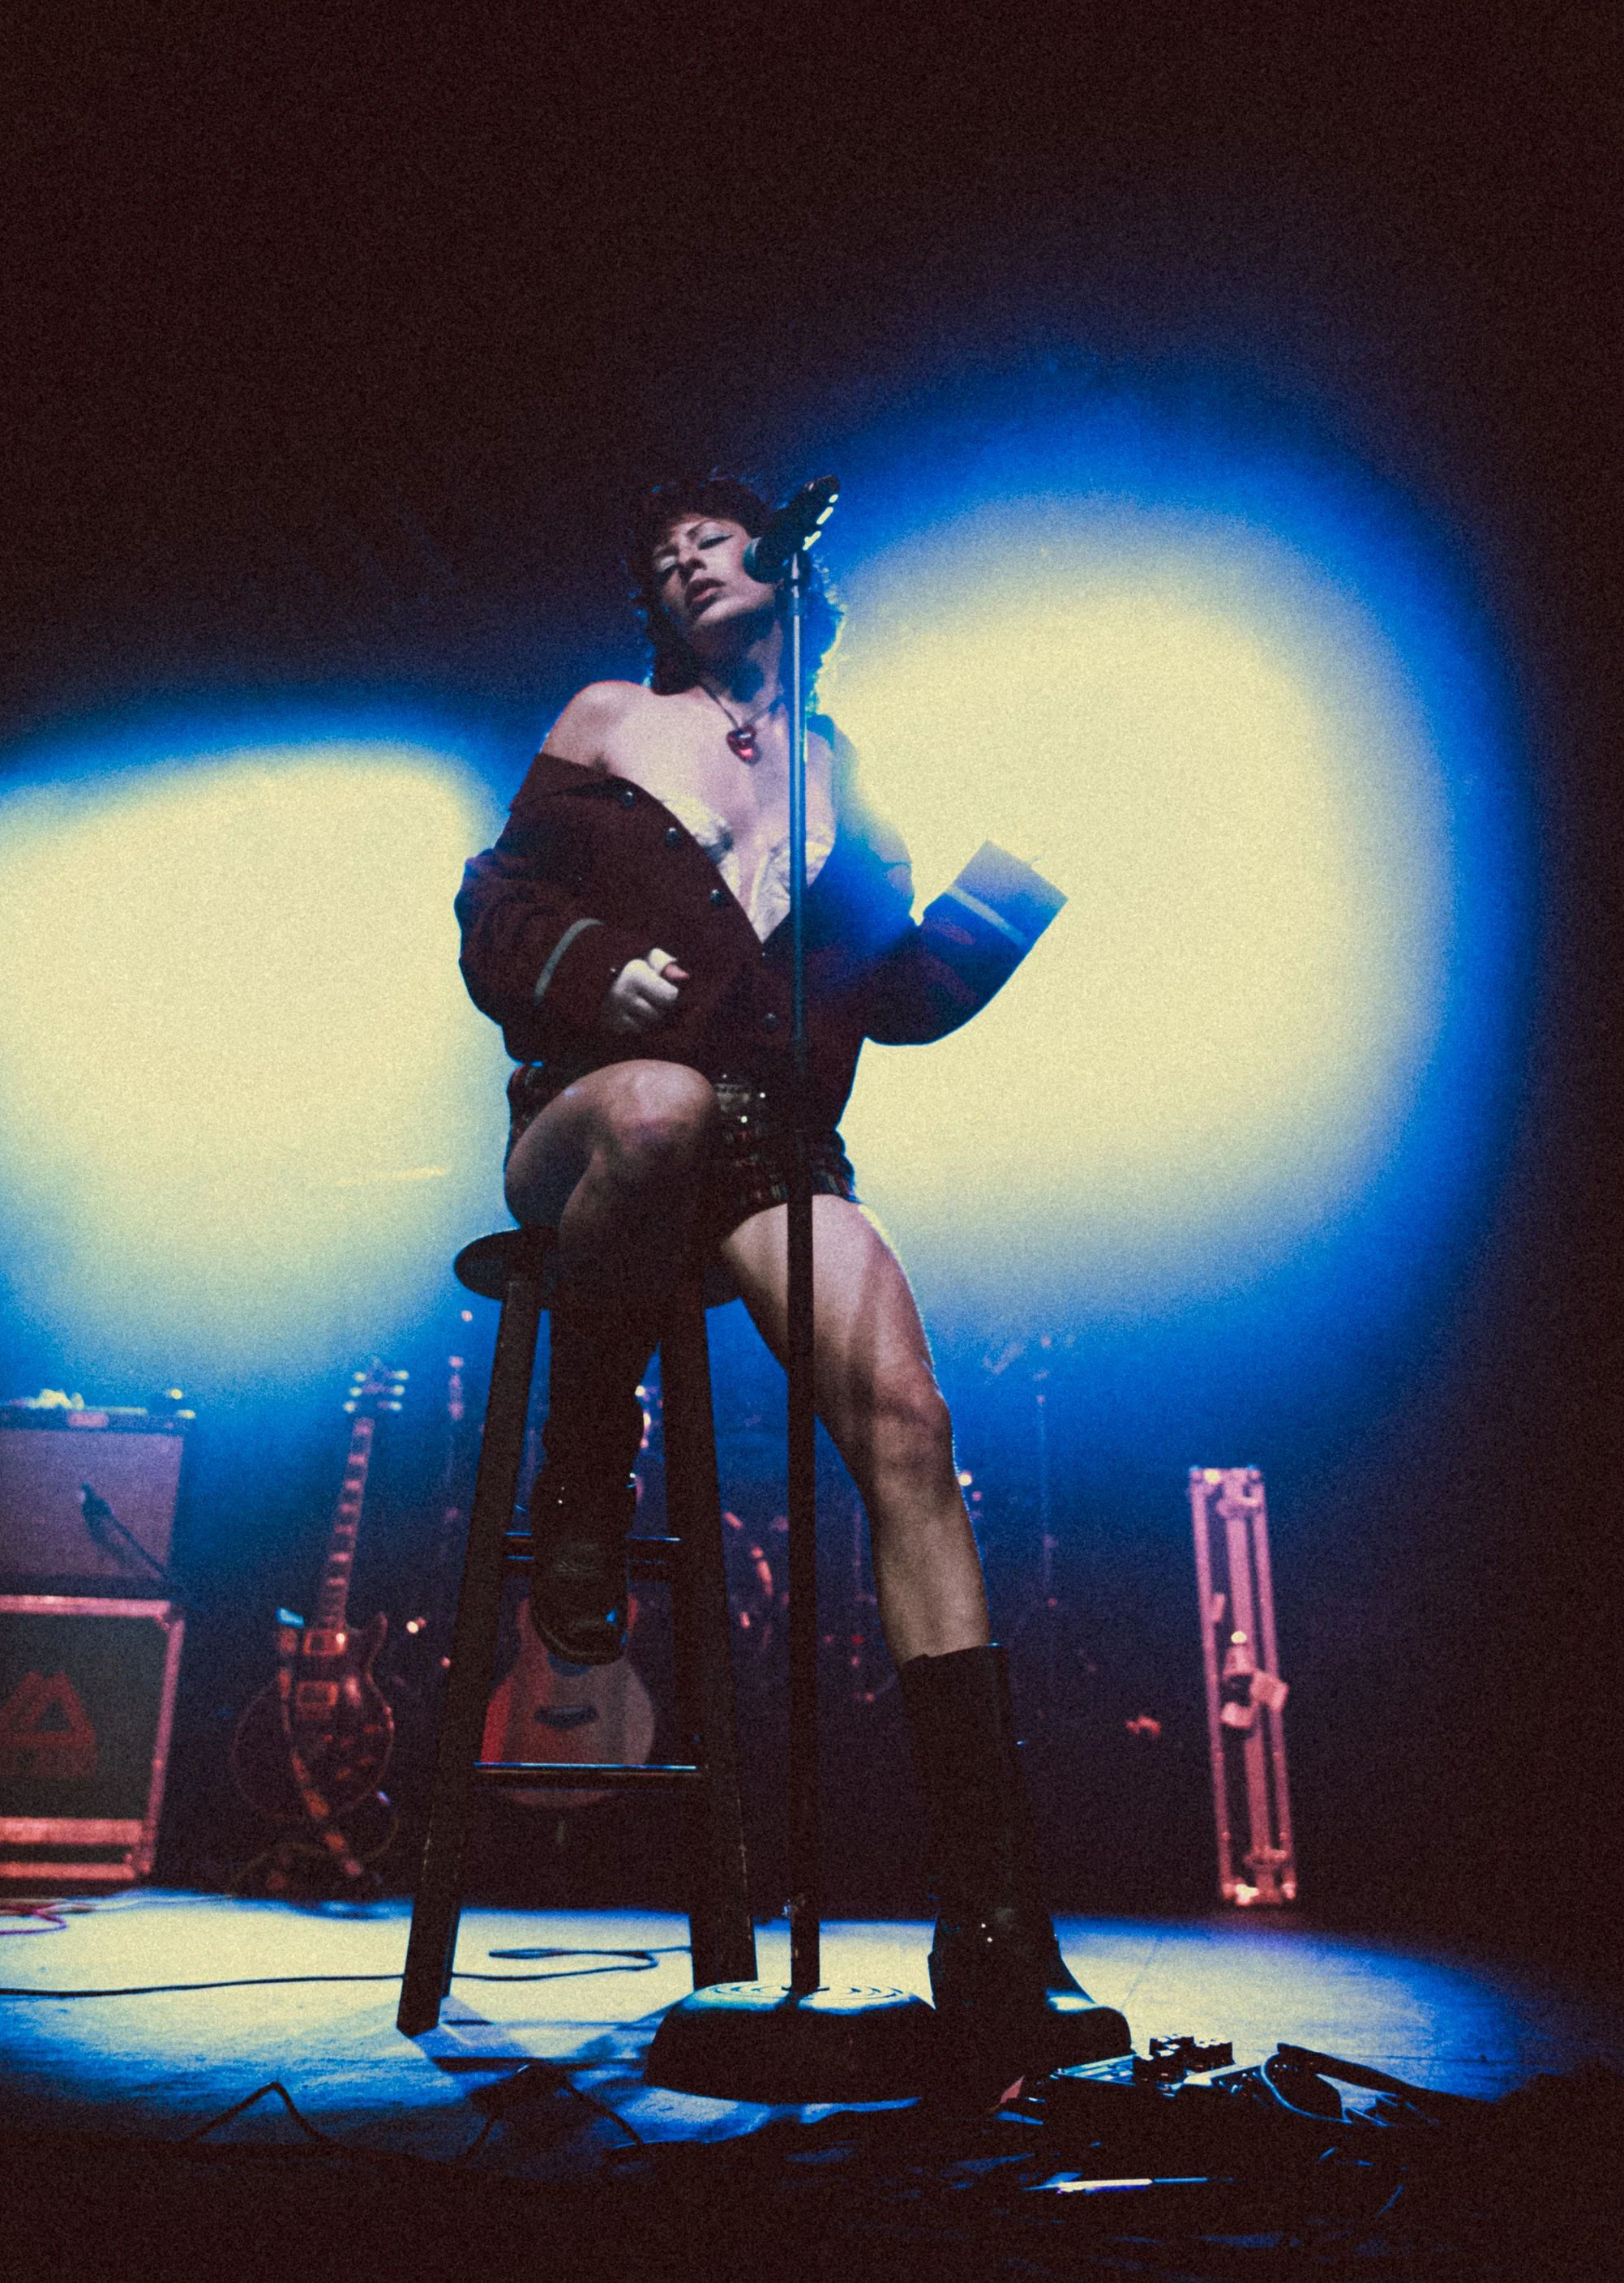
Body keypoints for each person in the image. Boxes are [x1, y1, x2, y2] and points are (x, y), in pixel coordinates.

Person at [454, 473, 1129, 2085]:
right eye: (658, 551)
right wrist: (582, 963)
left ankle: (993, 1925)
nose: (680, 557)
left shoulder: (835, 769)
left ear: (781, 566)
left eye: (707, 535)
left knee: (905, 1415)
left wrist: (1016, 880)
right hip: (589, 1108)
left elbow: (888, 1000)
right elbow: (493, 902)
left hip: (770, 1150)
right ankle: (586, 1457)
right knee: (661, 1105)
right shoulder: (611, 714)